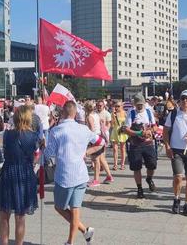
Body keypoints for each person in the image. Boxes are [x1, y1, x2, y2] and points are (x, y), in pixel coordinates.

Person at [45, 101, 106, 245]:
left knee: (60, 207)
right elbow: (101, 141)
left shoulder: (57, 130)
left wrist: (43, 147)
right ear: (74, 113)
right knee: (75, 210)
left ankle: (74, 239)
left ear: (63, 113)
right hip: (81, 174)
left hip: (64, 175)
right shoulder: (83, 129)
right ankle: (81, 234)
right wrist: (88, 151)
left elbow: (49, 154)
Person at [0, 106, 40, 245]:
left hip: (9, 172)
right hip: (25, 173)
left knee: (4, 214)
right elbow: (35, 157)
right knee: (20, 216)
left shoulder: (7, 134)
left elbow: (5, 151)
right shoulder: (33, 136)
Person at [125, 94, 158, 199]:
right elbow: (126, 129)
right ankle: (139, 188)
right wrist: (139, 133)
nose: (139, 106)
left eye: (141, 104)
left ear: (144, 103)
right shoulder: (131, 113)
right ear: (134, 104)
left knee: (152, 164)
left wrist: (150, 130)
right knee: (136, 167)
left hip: (148, 143)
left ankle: (149, 178)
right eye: (137, 104)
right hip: (136, 144)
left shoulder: (148, 112)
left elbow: (155, 127)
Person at [85, 101, 113, 186]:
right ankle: (109, 176)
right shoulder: (96, 115)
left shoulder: (89, 117)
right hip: (101, 137)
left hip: (95, 139)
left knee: (96, 159)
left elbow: (92, 129)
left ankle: (96, 180)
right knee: (102, 159)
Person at [110, 100, 128, 170]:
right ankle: (115, 164)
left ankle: (122, 164)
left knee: (123, 148)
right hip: (115, 131)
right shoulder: (113, 113)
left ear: (122, 106)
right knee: (115, 149)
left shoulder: (125, 113)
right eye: (116, 106)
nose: (117, 107)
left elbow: (127, 123)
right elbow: (112, 124)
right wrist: (113, 115)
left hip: (122, 131)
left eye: (118, 106)